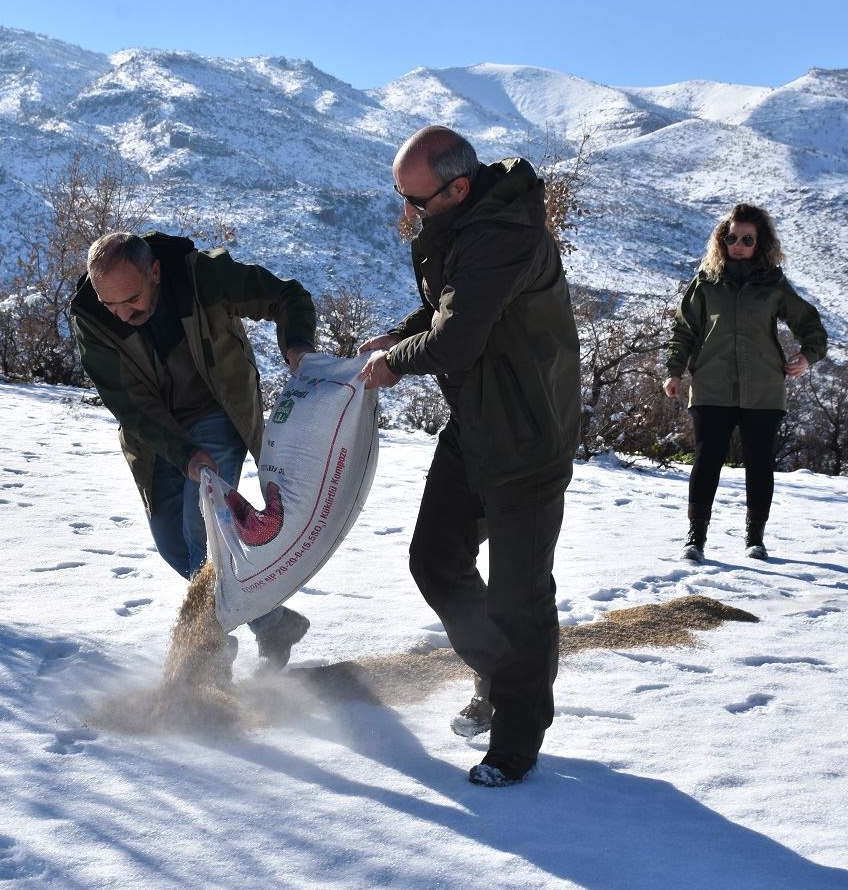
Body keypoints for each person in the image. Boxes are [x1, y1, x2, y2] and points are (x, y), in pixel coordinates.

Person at [358, 126, 581, 787]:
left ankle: (516, 741)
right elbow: (449, 304)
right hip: (478, 423)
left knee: (521, 597)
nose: (407, 214)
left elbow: (454, 340)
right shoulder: (464, 221)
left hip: (529, 438)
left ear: (458, 187)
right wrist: (399, 331)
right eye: (401, 197)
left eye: (416, 201)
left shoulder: (505, 233)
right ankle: (495, 671)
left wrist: (392, 361)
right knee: (435, 558)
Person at [71, 231, 317, 669]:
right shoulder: (93, 316)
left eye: (131, 299)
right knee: (174, 547)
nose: (121, 314)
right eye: (110, 304)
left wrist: (297, 346)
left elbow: (287, 296)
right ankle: (273, 621)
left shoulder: (204, 275)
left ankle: (209, 653)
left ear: (156, 272)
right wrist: (183, 454)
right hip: (156, 434)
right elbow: (131, 406)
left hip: (218, 410)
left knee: (201, 529)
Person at [662, 203, 828, 562]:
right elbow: (684, 330)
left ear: (760, 243)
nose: (737, 244)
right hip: (711, 384)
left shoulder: (773, 284)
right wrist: (674, 371)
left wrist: (806, 356)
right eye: (731, 237)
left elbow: (810, 325)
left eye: (746, 239)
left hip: (764, 388)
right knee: (707, 460)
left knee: (759, 462)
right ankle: (696, 538)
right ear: (721, 239)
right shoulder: (706, 282)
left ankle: (755, 539)